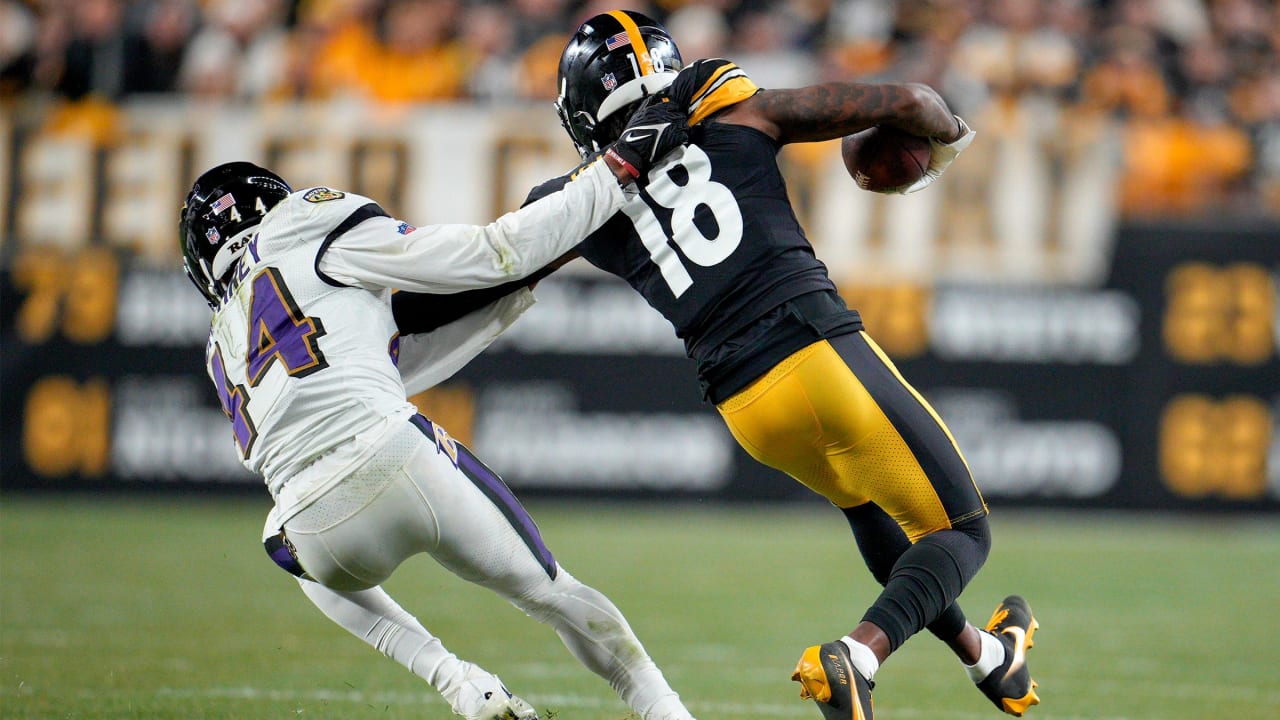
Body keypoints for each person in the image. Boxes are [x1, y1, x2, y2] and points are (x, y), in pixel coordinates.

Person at [523, 10, 1040, 720]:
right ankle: (855, 657)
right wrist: (948, 140)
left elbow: (498, 262)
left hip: (744, 406)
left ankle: (988, 657)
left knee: (865, 500)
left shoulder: (573, 204)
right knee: (961, 531)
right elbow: (913, 102)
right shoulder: (729, 107)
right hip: (814, 348)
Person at [177, 96, 697, 720]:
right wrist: (611, 174)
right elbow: (486, 255)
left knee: (276, 533)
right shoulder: (301, 222)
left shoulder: (219, 345)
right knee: (553, 594)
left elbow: (380, 360)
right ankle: (666, 712)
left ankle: (458, 682)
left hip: (316, 532)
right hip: (395, 455)